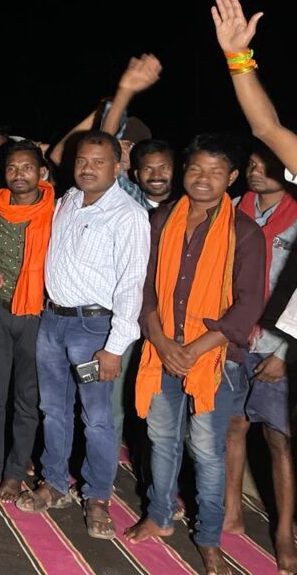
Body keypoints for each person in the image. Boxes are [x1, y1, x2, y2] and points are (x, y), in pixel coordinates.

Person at [125, 135, 265, 575]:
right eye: (196, 169)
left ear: (233, 177)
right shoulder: (161, 219)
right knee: (161, 439)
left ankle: (208, 537)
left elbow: (248, 305)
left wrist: (192, 350)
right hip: (161, 350)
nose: (203, 179)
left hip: (213, 360)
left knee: (206, 451)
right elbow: (143, 285)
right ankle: (159, 515)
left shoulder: (245, 232)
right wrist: (163, 342)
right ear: (184, 171)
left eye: (216, 171)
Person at [16, 131, 149, 541]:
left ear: (117, 167)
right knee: (53, 409)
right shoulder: (68, 200)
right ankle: (55, 482)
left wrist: (114, 347)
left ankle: (97, 496)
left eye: (98, 162)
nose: (88, 169)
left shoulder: (128, 215)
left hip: (95, 329)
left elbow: (132, 285)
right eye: (81, 161)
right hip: (53, 321)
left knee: (97, 419)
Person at [222, 143, 297, 573]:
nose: (256, 170)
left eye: (266, 164)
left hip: (277, 344)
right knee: (233, 426)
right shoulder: (233, 208)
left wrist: (285, 353)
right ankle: (232, 512)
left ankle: (284, 531)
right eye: (250, 164)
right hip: (236, 339)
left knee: (278, 440)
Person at [0, 140, 55, 502]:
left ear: (42, 172)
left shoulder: (57, 210)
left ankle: (15, 471)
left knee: (27, 397)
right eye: (12, 168)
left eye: (27, 167)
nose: (19, 174)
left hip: (37, 314)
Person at [131, 139, 175, 209]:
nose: (156, 175)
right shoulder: (129, 202)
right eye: (147, 169)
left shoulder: (187, 207)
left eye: (164, 168)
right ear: (136, 175)